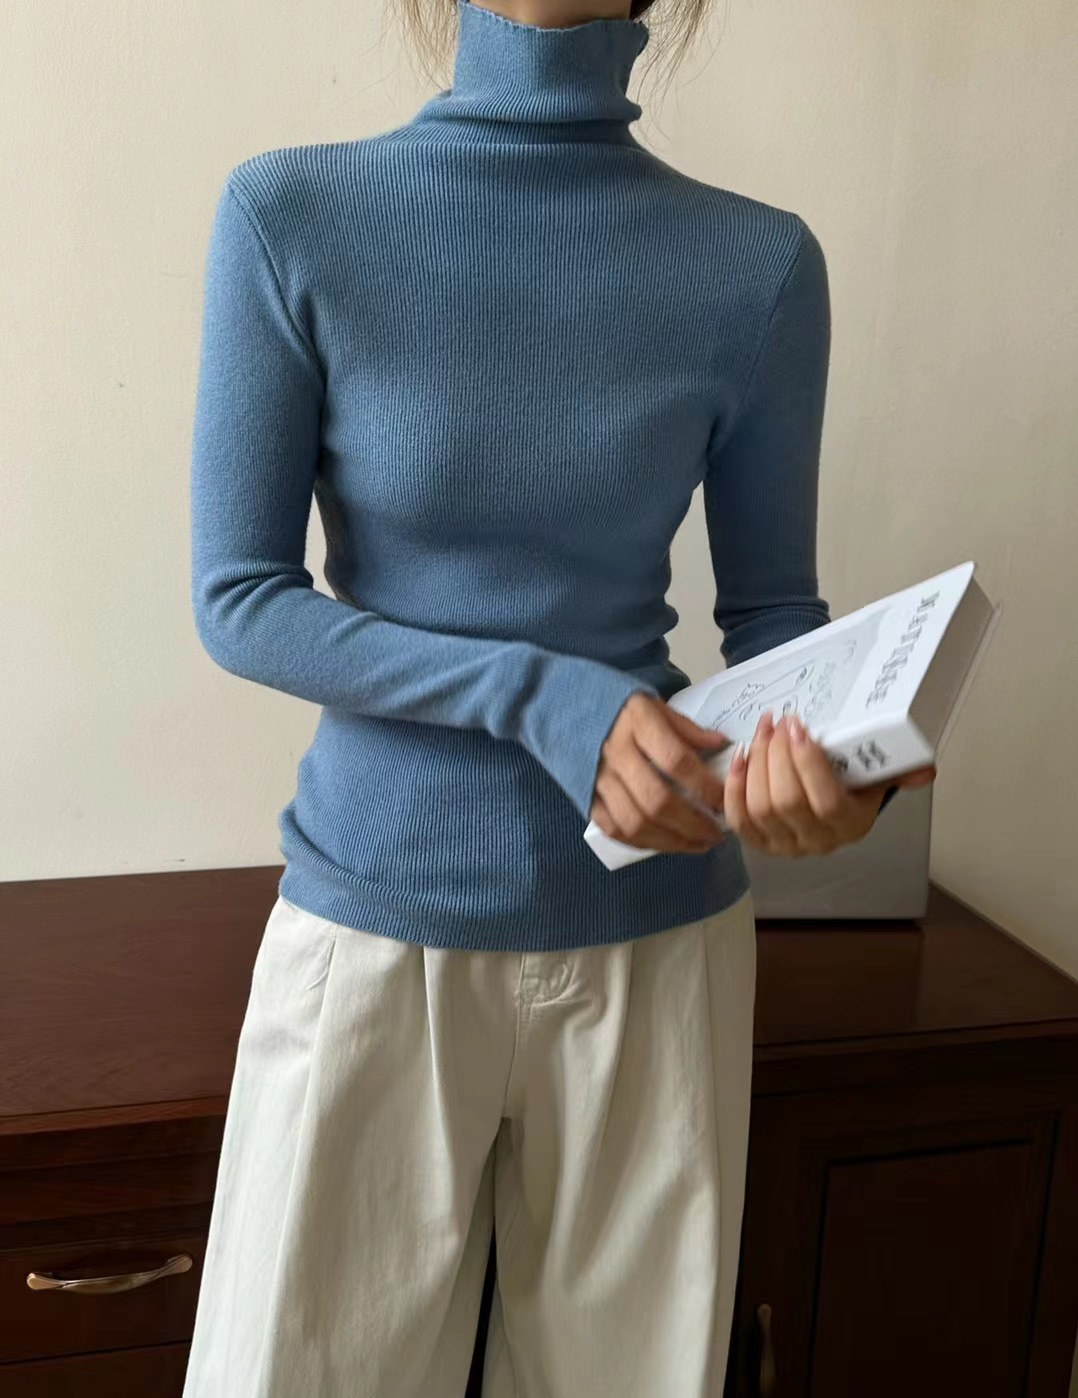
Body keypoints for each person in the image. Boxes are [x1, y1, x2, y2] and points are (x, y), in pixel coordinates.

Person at [183, 0, 935, 1393]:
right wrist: (542, 696)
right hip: (376, 931)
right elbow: (241, 598)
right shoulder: (292, 216)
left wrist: (842, 771)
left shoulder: (758, 264)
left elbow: (775, 618)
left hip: (657, 944)